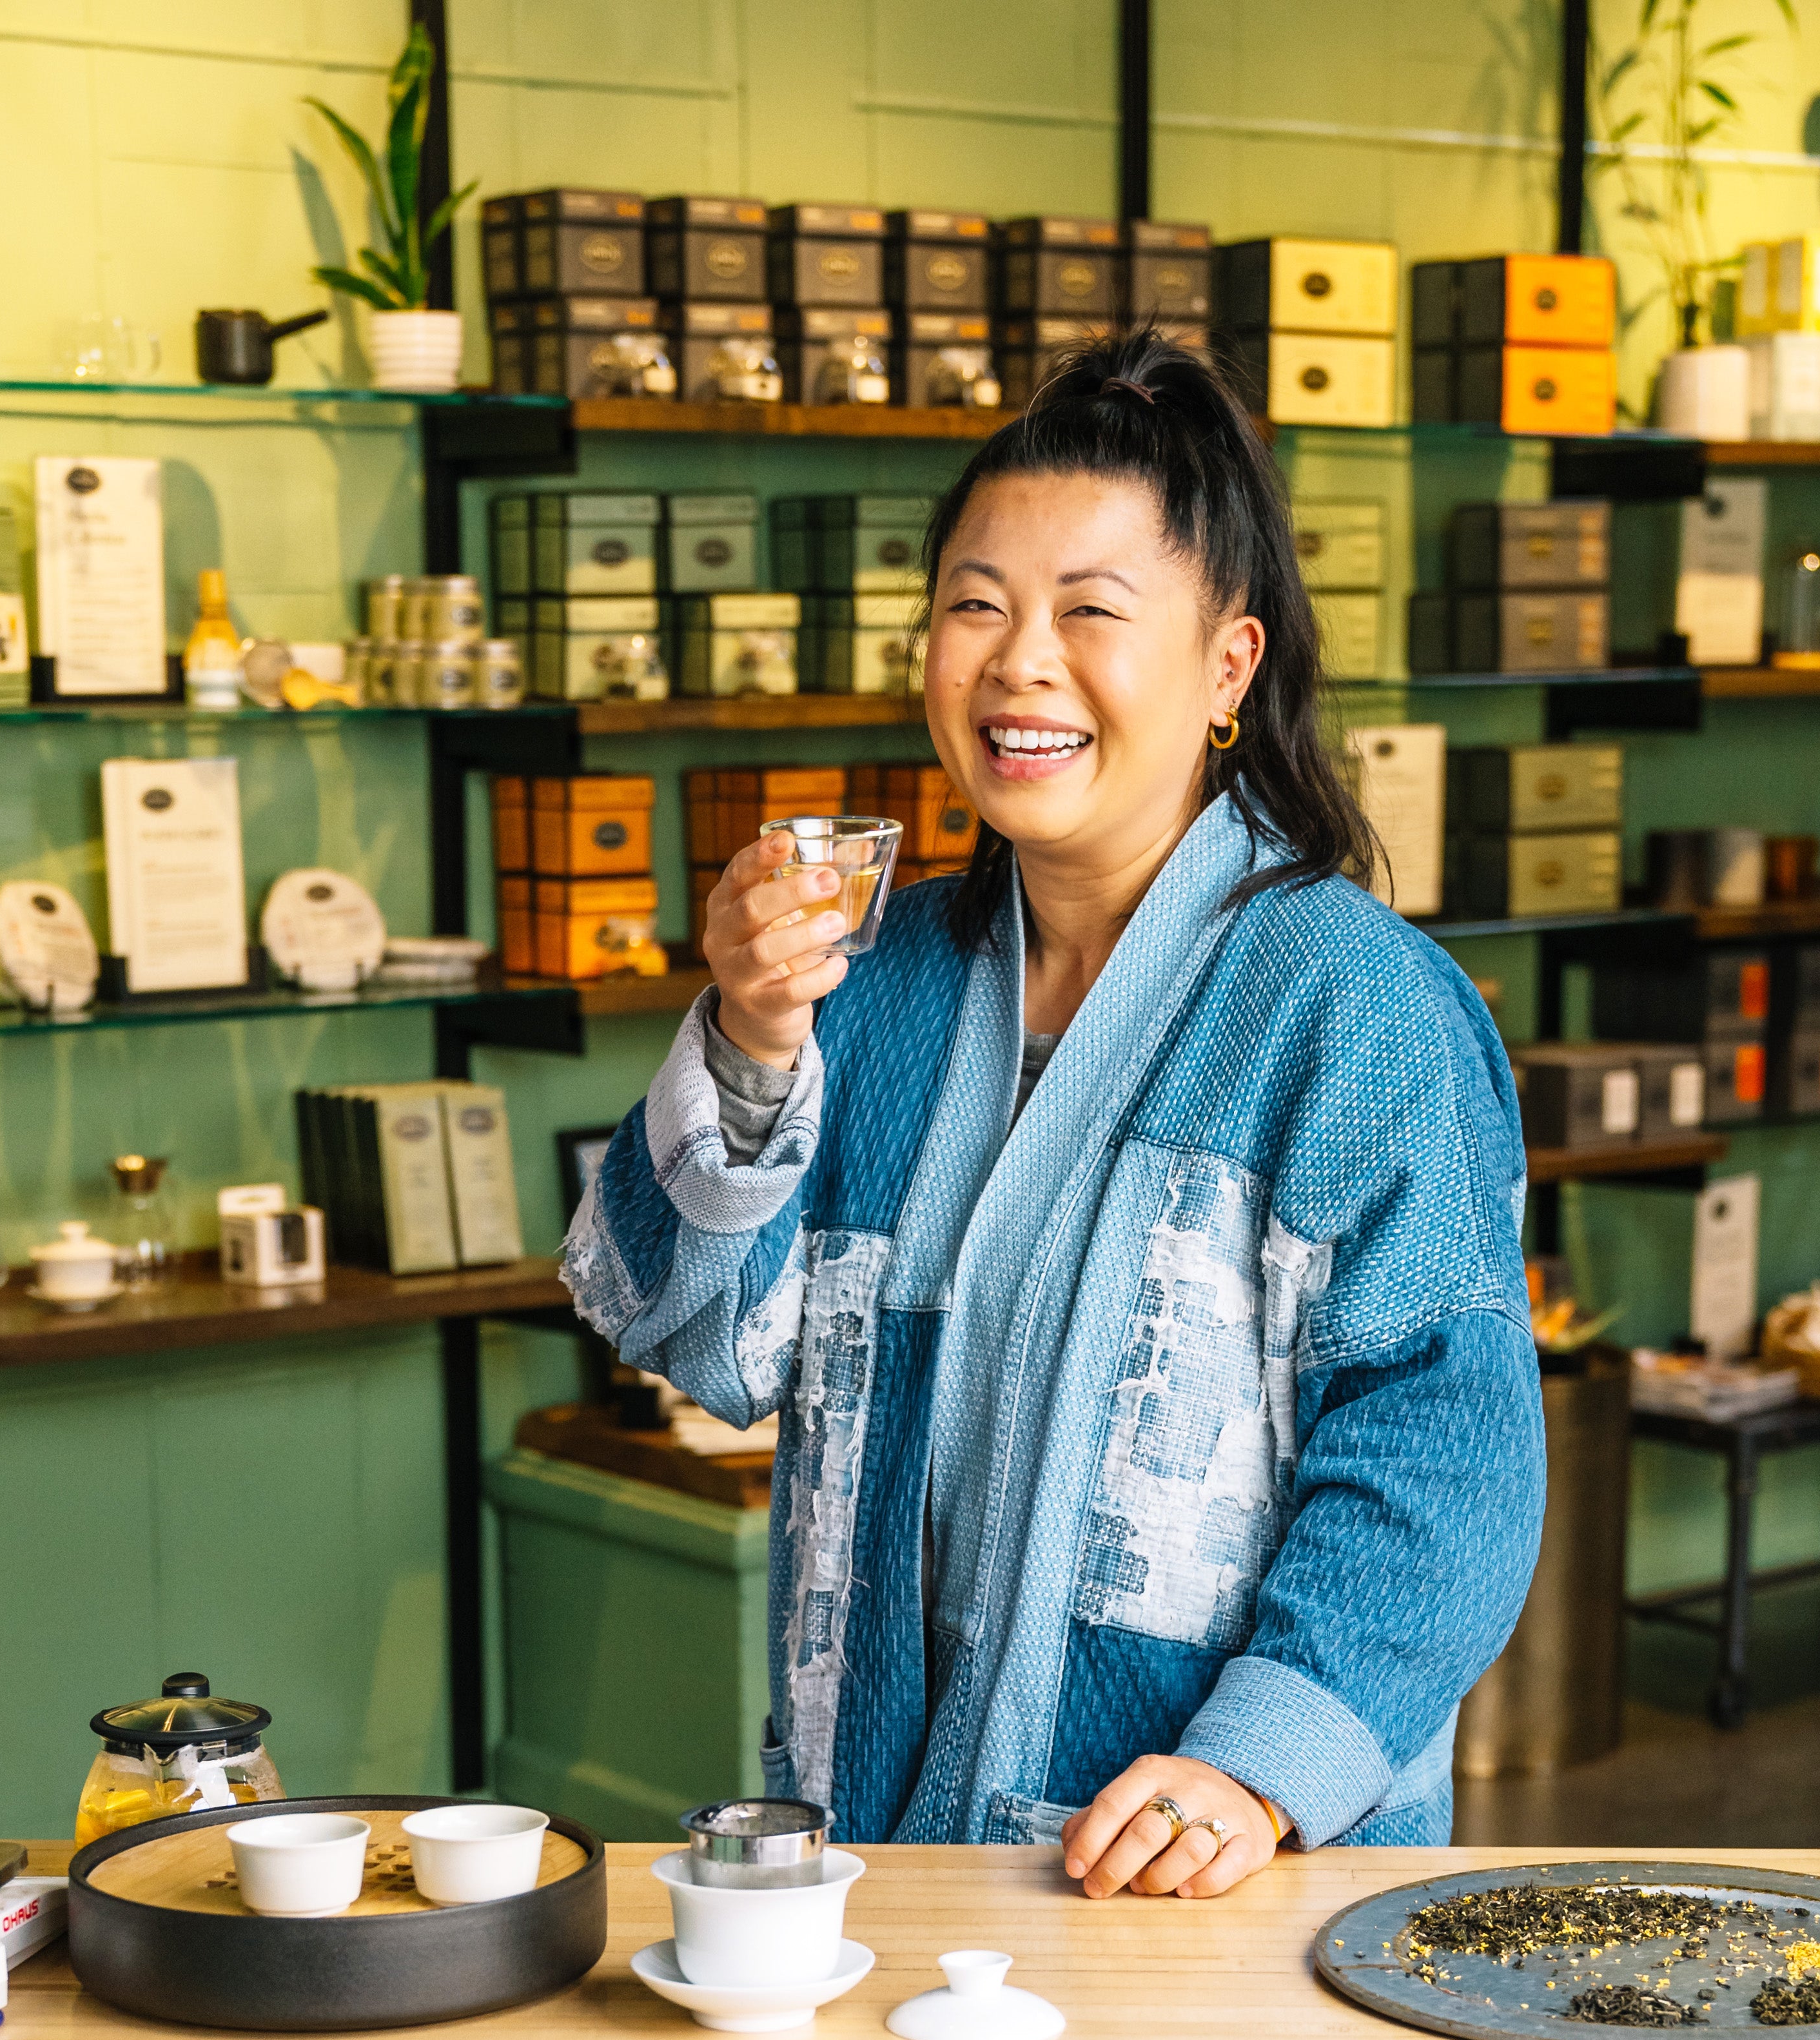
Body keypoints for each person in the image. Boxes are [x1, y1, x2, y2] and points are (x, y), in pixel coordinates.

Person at [565, 326, 1544, 1900]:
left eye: (1091, 611)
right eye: (973, 606)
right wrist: (753, 1031)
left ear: (1228, 665)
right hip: (875, 1853)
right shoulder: (867, 989)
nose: (1019, 662)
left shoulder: (1353, 1007)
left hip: (1198, 1866)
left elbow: (1446, 1451)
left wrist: (1258, 1765)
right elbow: (699, 1342)